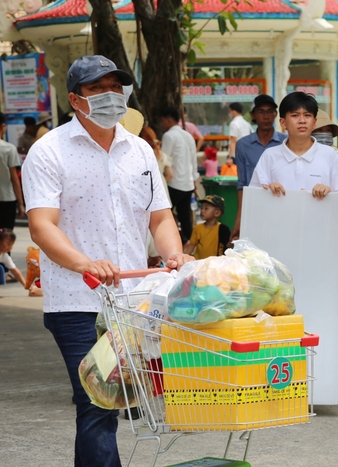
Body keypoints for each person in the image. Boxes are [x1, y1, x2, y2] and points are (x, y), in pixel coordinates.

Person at [21, 54, 193, 467]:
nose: (109, 97)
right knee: (97, 404)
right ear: (76, 99)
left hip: (134, 301)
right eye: (97, 89)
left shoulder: (139, 151)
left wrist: (173, 254)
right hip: (77, 302)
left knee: (122, 406)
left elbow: (160, 216)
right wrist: (84, 263)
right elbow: (43, 225)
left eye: (115, 88)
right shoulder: (48, 152)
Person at [249, 92, 338, 199]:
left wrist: (330, 192)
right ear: (283, 123)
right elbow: (254, 197)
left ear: (314, 122)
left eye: (307, 115)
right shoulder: (270, 156)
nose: (302, 121)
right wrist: (268, 191)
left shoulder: (329, 155)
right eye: (295, 115)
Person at [230, 94, 285, 241]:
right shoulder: (243, 145)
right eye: (261, 111)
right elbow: (242, 183)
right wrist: (239, 218)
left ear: (275, 114)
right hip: (255, 205)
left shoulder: (286, 142)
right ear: (253, 115)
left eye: (270, 111)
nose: (266, 116)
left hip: (282, 204)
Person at [160, 106, 198, 243]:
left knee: (165, 216)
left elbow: (164, 159)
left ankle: (179, 241)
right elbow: (194, 160)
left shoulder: (169, 136)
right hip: (187, 183)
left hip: (173, 183)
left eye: (162, 121)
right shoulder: (188, 135)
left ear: (169, 120)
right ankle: (191, 245)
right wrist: (194, 180)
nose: (161, 124)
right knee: (185, 217)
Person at [184, 195, 231, 259]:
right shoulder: (198, 228)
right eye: (201, 208)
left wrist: (233, 240)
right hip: (199, 263)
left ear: (217, 213)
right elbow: (192, 245)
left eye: (206, 208)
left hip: (215, 264)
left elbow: (228, 247)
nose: (202, 211)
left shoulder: (223, 229)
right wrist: (183, 256)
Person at [0, 112, 24, 230]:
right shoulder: (9, 148)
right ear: (2, 126)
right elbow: (14, 178)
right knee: (6, 235)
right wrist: (20, 203)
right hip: (7, 198)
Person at [140, 125, 174, 201]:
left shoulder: (141, 154)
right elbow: (170, 175)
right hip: (161, 187)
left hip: (145, 188)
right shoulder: (161, 154)